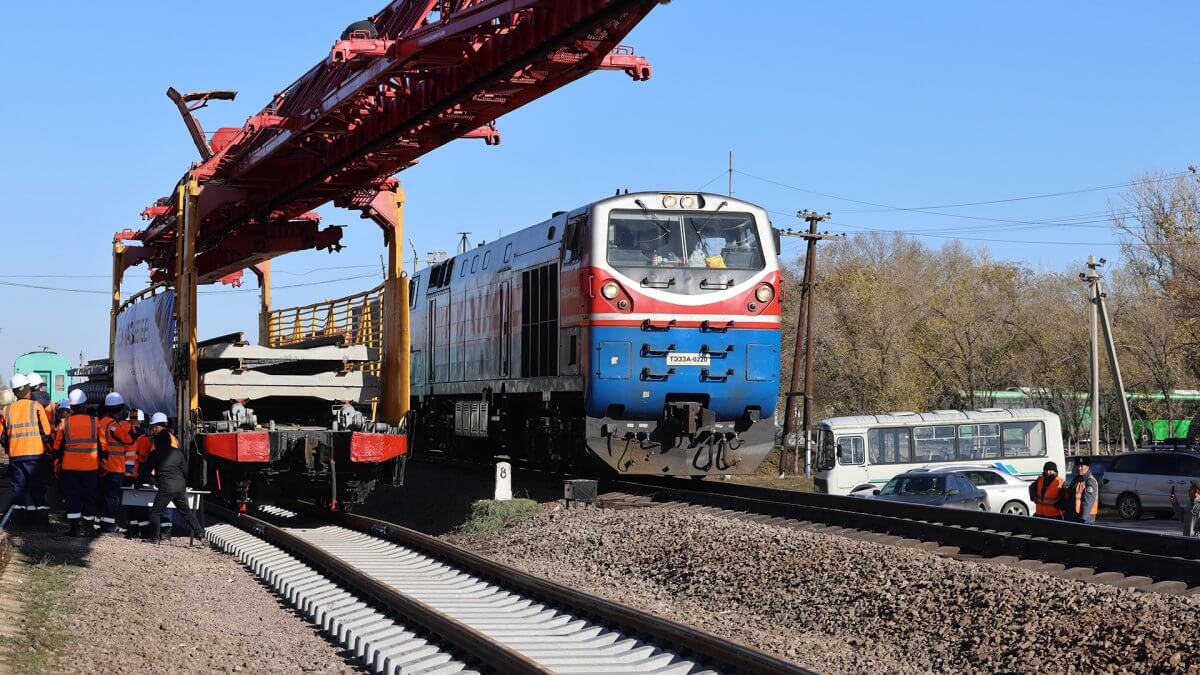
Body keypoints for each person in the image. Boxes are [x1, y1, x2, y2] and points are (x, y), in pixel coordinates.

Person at [139, 413, 204, 543]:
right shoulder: (177, 452)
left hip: (165, 487)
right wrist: (185, 483)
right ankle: (201, 535)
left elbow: (145, 472)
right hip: (180, 486)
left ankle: (154, 538)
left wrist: (137, 485)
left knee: (155, 513)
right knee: (187, 513)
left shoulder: (154, 453)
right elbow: (185, 470)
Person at [2, 374, 53, 530]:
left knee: (18, 488)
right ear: (27, 389)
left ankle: (19, 523)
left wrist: (10, 448)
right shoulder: (36, 406)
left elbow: (2, 436)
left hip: (15, 455)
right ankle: (42, 523)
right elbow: (46, 431)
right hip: (35, 455)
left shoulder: (7, 410)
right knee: (37, 487)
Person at [53, 389, 103, 537]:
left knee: (72, 497)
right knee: (89, 497)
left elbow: (57, 447)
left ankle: (74, 529)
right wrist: (104, 462)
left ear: (72, 407)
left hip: (70, 468)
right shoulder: (95, 422)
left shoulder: (64, 423)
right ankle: (89, 528)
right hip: (90, 467)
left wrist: (56, 463)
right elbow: (103, 445)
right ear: (85, 405)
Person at [97, 393, 137, 534]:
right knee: (112, 498)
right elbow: (129, 439)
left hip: (103, 466)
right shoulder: (113, 425)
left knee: (105, 496)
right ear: (120, 409)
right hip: (115, 467)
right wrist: (134, 422)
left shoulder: (101, 422)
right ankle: (108, 526)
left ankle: (105, 523)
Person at [1066, 456, 1100, 524]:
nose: (1079, 468)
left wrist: (1083, 519)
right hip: (1073, 517)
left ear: (1087, 467)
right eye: (1078, 466)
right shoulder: (1076, 479)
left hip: (1084, 519)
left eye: (1082, 466)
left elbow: (1088, 501)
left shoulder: (1090, 481)